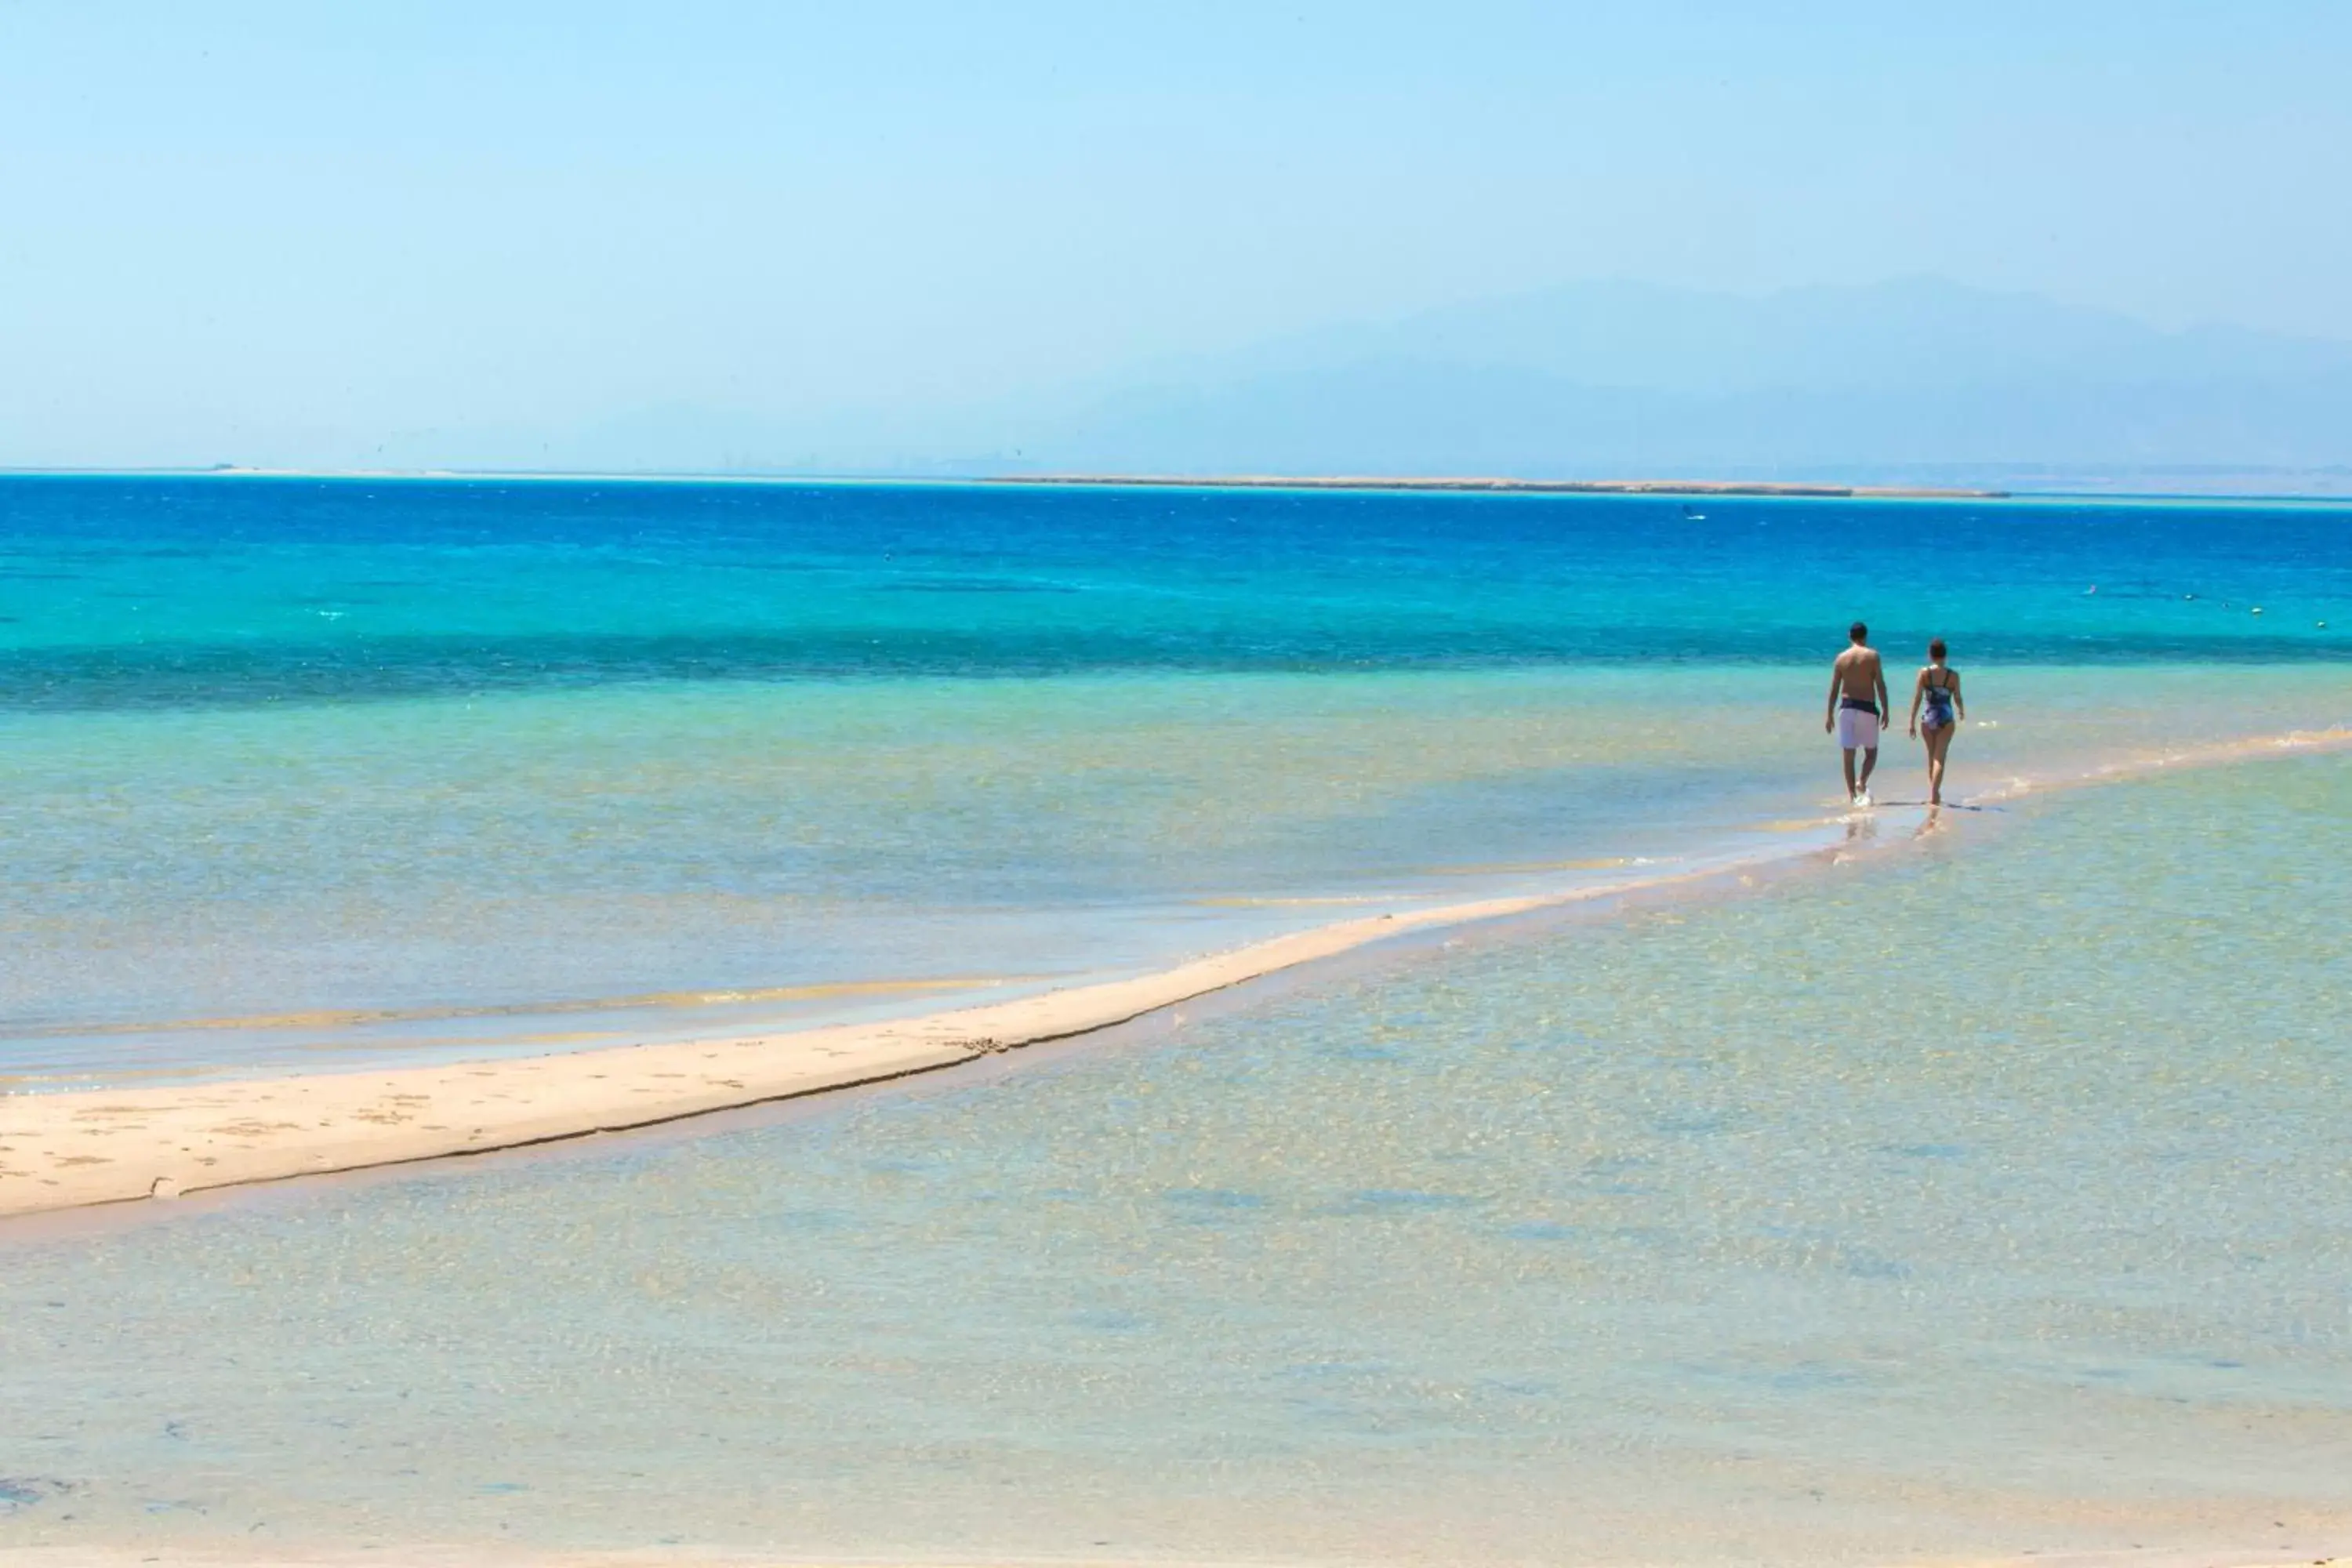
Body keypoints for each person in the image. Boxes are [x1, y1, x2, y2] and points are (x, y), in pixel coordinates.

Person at [1824, 621, 1889, 807]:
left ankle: (1852, 796)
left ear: (1849, 637)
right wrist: (1886, 709)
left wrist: (1829, 714)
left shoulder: (1841, 659)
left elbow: (1834, 689)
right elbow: (1880, 685)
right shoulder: (1873, 656)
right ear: (1865, 637)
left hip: (1847, 707)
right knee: (1871, 752)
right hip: (1867, 707)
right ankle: (1862, 781)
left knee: (1848, 754)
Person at [1906, 638, 1966, 807]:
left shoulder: (1924, 673)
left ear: (1930, 655)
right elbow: (1957, 697)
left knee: (1931, 757)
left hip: (1928, 718)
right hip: (1945, 719)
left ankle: (1933, 793)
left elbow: (1917, 698)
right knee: (1939, 758)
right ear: (1945, 655)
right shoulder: (1953, 676)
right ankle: (1934, 794)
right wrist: (1961, 710)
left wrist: (1911, 721)